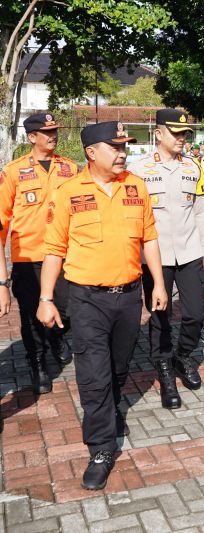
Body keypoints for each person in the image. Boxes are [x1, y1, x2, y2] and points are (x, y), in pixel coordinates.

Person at [36, 121, 168, 490]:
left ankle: (108, 412)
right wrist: (46, 299)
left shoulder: (136, 187)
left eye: (125, 145)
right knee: (93, 374)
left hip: (127, 297)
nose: (123, 152)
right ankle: (101, 448)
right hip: (86, 298)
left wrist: (157, 283)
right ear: (92, 153)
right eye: (115, 146)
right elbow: (54, 250)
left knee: (119, 367)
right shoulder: (67, 192)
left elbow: (150, 239)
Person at [127, 108, 204, 410]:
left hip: (189, 253)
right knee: (160, 316)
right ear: (158, 133)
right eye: (176, 133)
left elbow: (200, 212)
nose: (182, 139)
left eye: (185, 133)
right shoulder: (138, 170)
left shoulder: (195, 167)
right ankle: (163, 368)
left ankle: (183, 356)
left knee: (195, 314)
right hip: (155, 258)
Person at [0, 112, 78, 395]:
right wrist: (2, 278)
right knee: (32, 317)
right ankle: (37, 363)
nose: (53, 135)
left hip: (63, 255)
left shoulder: (70, 168)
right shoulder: (13, 171)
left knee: (69, 307)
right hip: (28, 257)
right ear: (32, 137)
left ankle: (57, 336)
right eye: (47, 132)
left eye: (55, 130)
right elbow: (1, 222)